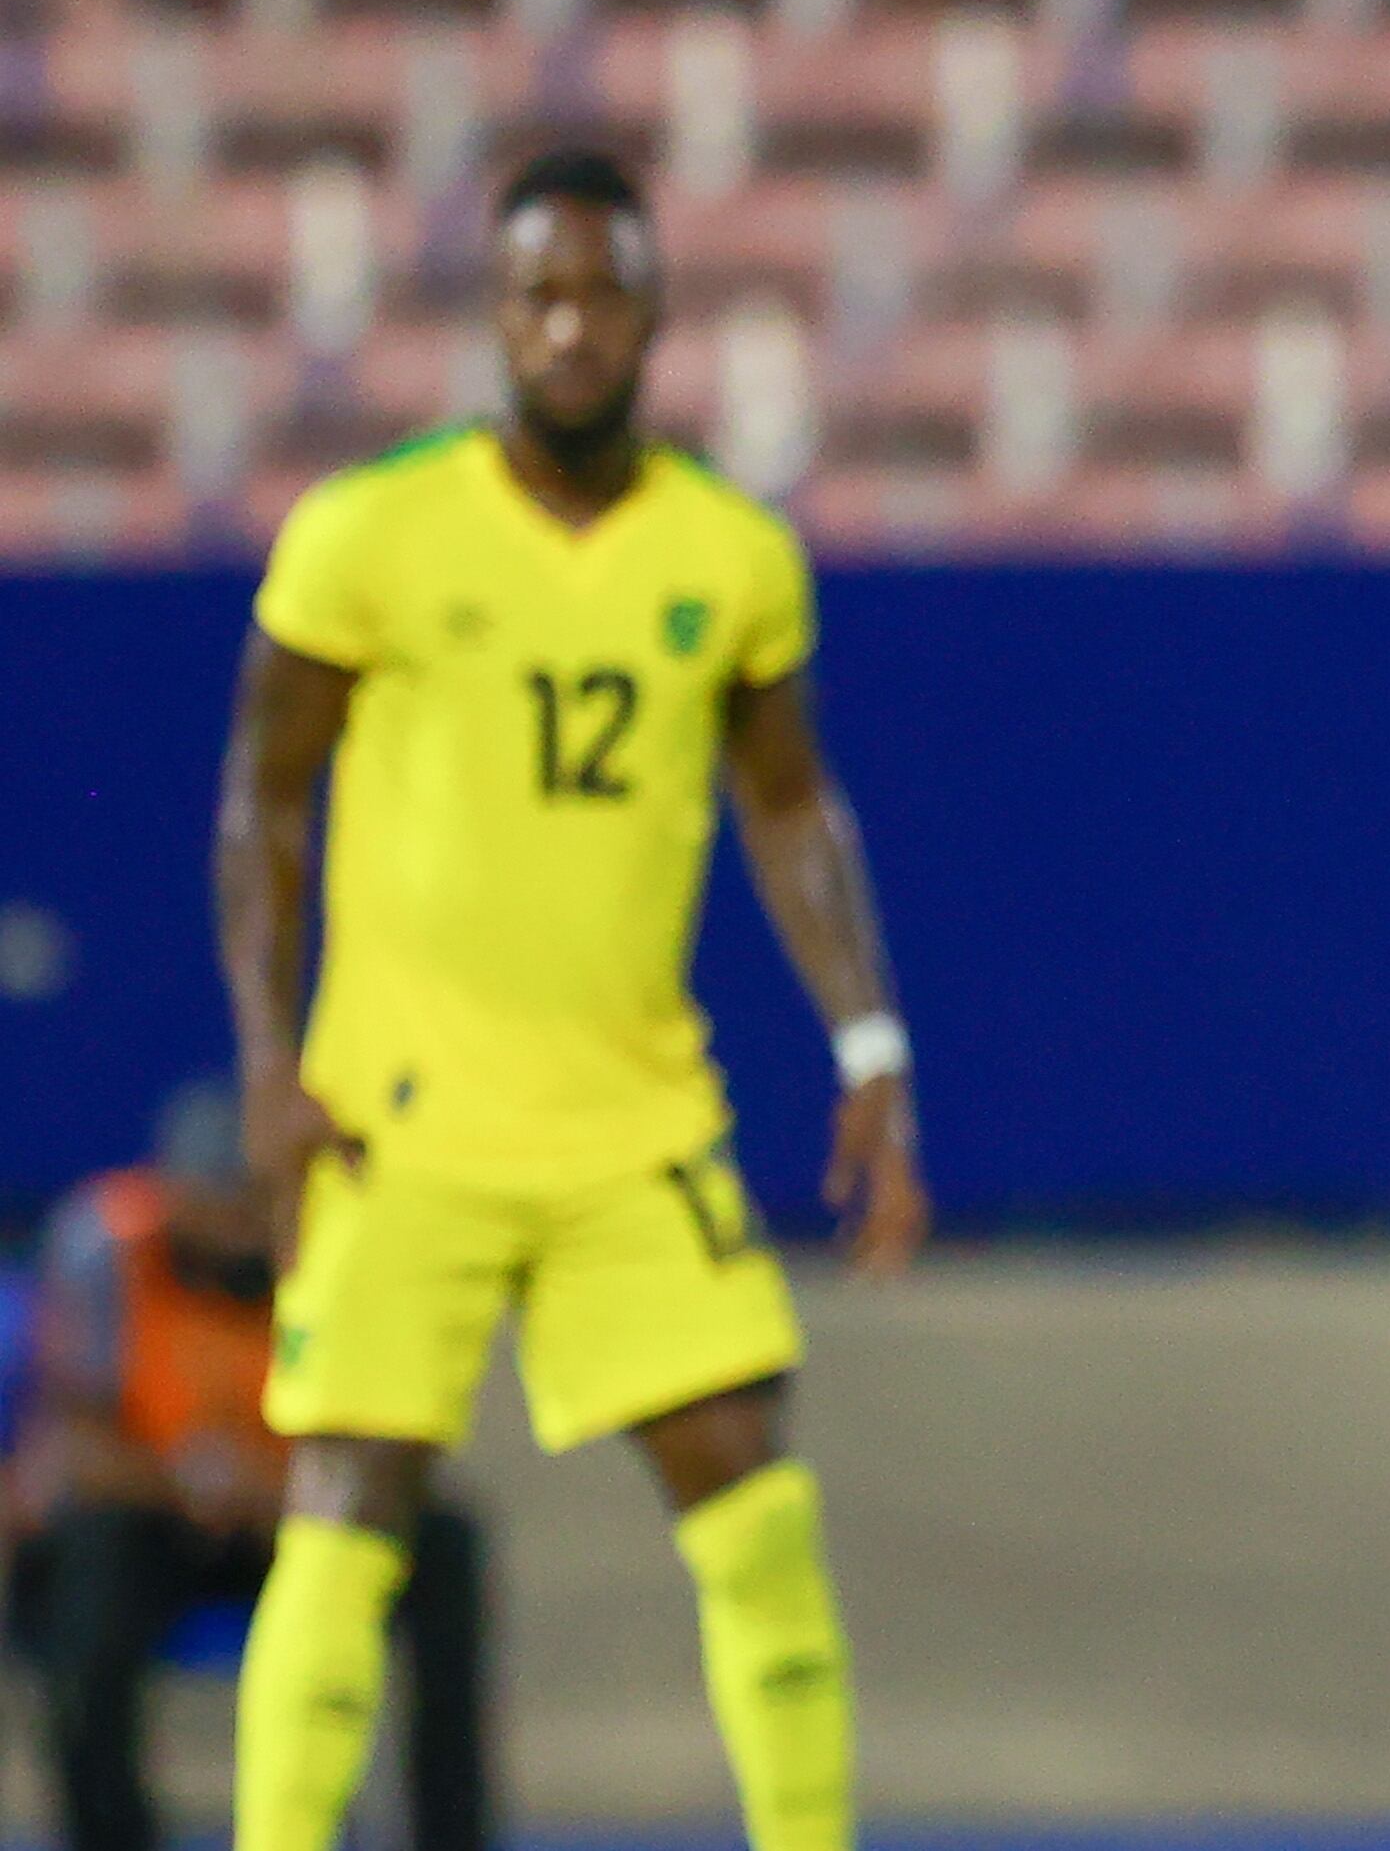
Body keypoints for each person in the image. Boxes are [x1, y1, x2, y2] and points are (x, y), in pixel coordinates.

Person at [214, 147, 931, 1851]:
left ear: (655, 317)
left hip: (626, 1114)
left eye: (604, 295)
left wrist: (870, 1040)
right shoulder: (371, 530)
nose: (572, 329)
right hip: (404, 1106)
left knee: (752, 1496)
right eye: (540, 295)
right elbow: (265, 795)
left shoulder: (730, 552)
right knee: (343, 1505)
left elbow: (786, 804)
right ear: (495, 317)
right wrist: (267, 1052)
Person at [7, 1089, 486, 1851]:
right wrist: (187, 1484)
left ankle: (451, 1837)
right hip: (151, 1514)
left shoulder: (336, 1247)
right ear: (175, 1193)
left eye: (252, 1204)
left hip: (297, 1513)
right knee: (87, 1575)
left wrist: (274, 1493)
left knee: (445, 1545)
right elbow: (73, 1444)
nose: (237, 1228)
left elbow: (406, 1443)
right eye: (216, 1202)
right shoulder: (104, 1245)